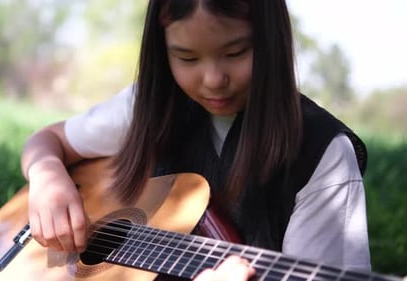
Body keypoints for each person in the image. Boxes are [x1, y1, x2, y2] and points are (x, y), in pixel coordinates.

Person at [21, 0, 371, 279]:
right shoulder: (150, 108)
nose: (214, 79)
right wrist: (46, 174)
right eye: (186, 57)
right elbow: (47, 140)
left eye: (236, 53)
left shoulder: (321, 155)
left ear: (272, 41)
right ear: (162, 52)